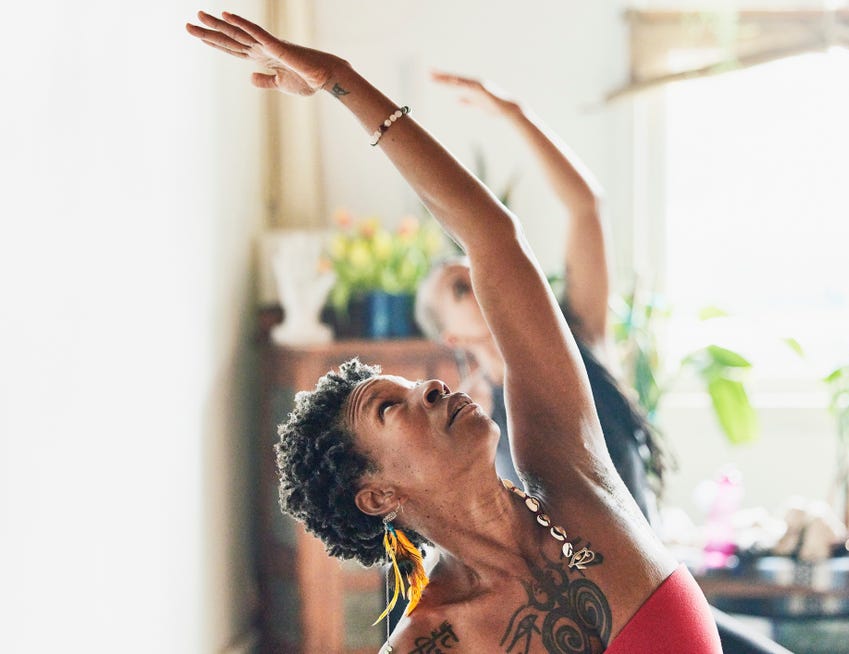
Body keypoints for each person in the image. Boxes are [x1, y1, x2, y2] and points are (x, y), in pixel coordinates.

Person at [187, 11, 722, 653]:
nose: (432, 389)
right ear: (377, 493)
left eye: (412, 386)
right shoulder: (430, 640)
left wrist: (341, 80)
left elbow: (492, 236)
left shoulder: (569, 469)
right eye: (391, 407)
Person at [415, 72, 666, 521]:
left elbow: (586, 206)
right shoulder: (474, 419)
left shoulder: (578, 336)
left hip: (654, 580)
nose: (479, 281)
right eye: (459, 288)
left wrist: (515, 114)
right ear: (452, 338)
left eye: (474, 271)